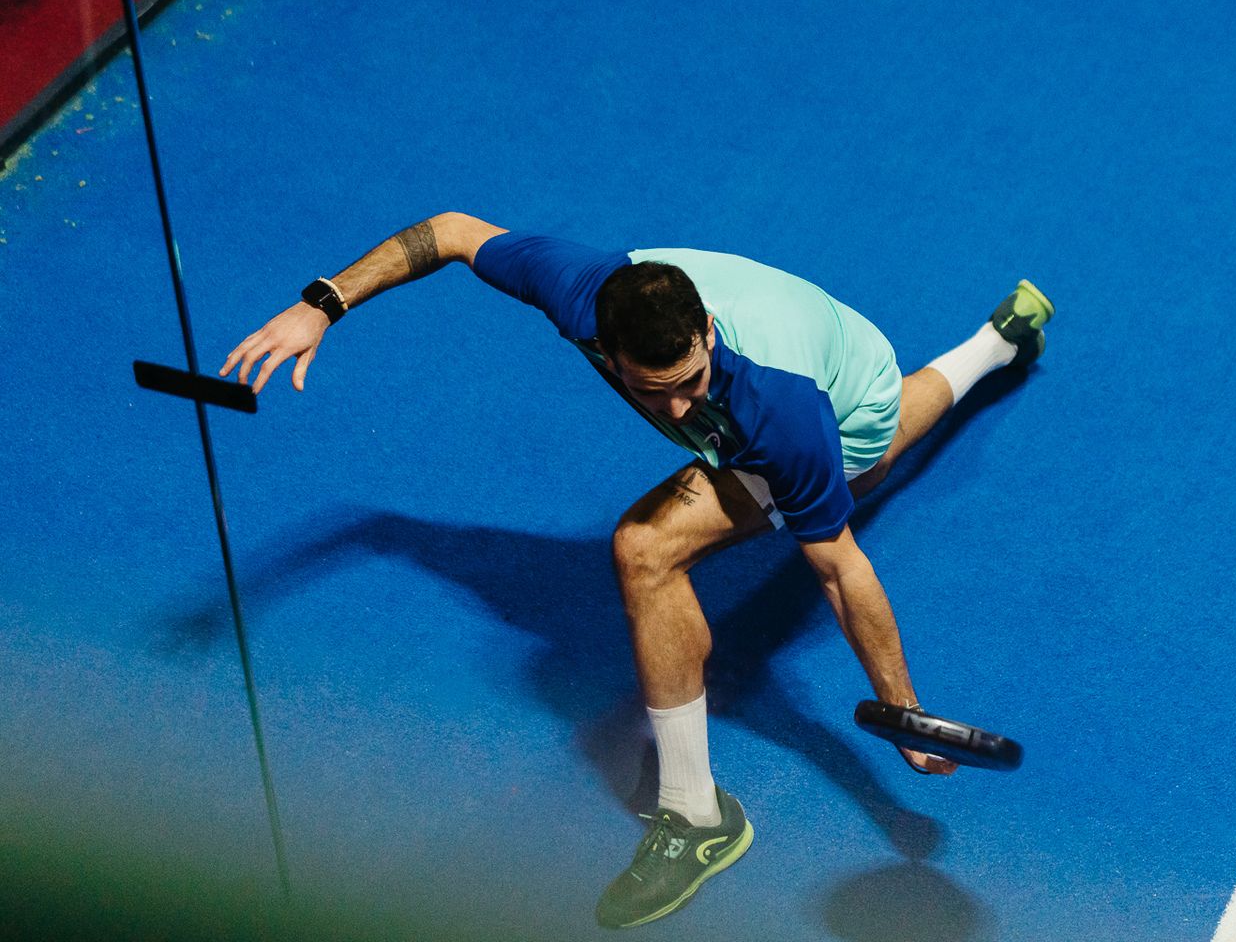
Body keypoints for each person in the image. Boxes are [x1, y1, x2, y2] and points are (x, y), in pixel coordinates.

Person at [220, 213, 1053, 928]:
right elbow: (450, 233)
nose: (681, 409)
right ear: (604, 345)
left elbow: (837, 569)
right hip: (837, 353)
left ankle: (697, 818)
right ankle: (998, 340)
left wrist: (903, 716)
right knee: (843, 459)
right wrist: (321, 304)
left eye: (691, 382)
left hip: (835, 400)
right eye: (656, 392)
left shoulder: (780, 405)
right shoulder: (579, 289)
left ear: (709, 335)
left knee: (653, 542)